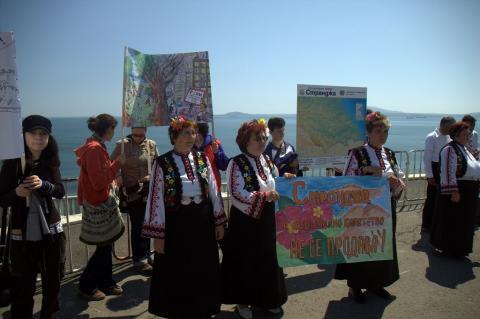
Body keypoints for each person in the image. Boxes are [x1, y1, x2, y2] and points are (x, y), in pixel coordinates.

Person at [142, 116, 227, 319]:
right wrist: (158, 235)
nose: (191, 137)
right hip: (176, 225)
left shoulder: (202, 158)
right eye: (185, 133)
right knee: (179, 270)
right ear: (174, 136)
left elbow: (214, 190)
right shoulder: (162, 163)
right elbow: (156, 199)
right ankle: (179, 311)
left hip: (202, 222)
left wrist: (219, 221)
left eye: (193, 133)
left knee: (203, 267)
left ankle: (203, 308)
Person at [221, 118, 291, 319]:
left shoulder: (267, 160)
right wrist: (263, 196)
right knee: (245, 261)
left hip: (267, 219)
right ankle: (243, 303)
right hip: (245, 222)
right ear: (245, 140)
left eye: (263, 137)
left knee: (268, 260)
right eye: (257, 138)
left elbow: (273, 181)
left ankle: (267, 300)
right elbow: (237, 193)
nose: (262, 141)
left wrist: (284, 179)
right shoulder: (236, 163)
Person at [334, 111, 405, 304]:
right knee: (362, 246)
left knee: (381, 245)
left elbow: (398, 177)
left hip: (385, 208)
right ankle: (355, 287)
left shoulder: (389, 153)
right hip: (364, 209)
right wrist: (368, 170)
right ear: (369, 132)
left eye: (385, 131)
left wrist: (397, 182)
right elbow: (347, 179)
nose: (383, 135)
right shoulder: (357, 152)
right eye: (378, 130)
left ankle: (376, 283)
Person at [0, 115, 66, 318]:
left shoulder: (50, 161)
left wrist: (45, 185)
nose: (38, 137)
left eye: (43, 133)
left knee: (53, 278)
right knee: (23, 284)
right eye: (33, 133)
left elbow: (60, 191)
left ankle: (49, 312)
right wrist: (17, 194)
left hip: (52, 230)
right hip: (22, 234)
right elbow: (2, 198)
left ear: (48, 137)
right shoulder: (13, 164)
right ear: (24, 135)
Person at [75, 114, 125, 301]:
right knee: (104, 247)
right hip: (99, 202)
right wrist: (118, 163)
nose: (113, 132)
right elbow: (98, 182)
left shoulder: (93, 145)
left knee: (107, 243)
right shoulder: (95, 149)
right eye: (113, 128)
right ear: (107, 129)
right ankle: (86, 284)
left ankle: (106, 281)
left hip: (96, 201)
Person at [111, 127, 159, 275]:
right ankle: (139, 260)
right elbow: (112, 163)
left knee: (147, 224)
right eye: (135, 134)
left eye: (141, 134)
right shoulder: (122, 144)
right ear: (131, 130)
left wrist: (151, 177)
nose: (138, 137)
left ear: (145, 130)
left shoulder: (151, 144)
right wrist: (118, 175)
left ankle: (147, 255)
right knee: (138, 225)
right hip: (131, 191)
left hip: (148, 190)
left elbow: (158, 164)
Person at [430, 121, 480, 257]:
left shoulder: (464, 149)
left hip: (469, 190)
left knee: (465, 221)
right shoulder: (450, 149)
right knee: (454, 221)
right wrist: (454, 191)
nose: (468, 136)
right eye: (465, 134)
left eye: (469, 134)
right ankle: (450, 249)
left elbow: (469, 166)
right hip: (459, 190)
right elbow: (447, 171)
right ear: (457, 135)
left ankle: (461, 248)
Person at [422, 116, 455, 232]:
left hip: (444, 168)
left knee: (443, 197)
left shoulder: (450, 138)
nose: (452, 130)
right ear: (444, 125)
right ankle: (427, 224)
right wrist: (430, 175)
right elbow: (427, 158)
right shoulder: (431, 137)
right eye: (450, 127)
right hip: (435, 168)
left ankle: (438, 223)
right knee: (431, 198)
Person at [194, 122, 230, 191]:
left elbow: (224, 166)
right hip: (195, 190)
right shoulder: (188, 147)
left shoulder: (214, 144)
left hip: (214, 187)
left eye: (195, 133)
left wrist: (217, 153)